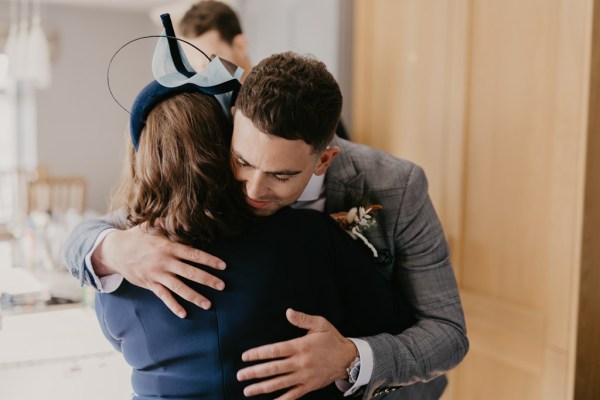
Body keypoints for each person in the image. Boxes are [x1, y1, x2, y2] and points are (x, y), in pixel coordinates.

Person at [65, 26, 468, 398]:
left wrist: (351, 357)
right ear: (231, 125)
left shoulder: (396, 185)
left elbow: (448, 333)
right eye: (242, 162)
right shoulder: (210, 168)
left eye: (281, 175)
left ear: (324, 160)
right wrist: (110, 249)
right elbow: (96, 234)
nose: (254, 190)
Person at [177, 0, 351, 140]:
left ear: (240, 45)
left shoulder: (301, 91)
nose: (203, 74)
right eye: (194, 66)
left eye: (210, 61)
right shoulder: (208, 112)